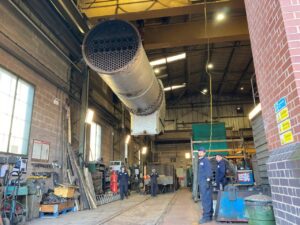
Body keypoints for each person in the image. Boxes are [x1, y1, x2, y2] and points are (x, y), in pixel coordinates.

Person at [198, 147, 213, 224]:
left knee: (205, 199)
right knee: (206, 199)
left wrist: (207, 181)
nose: (200, 152)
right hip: (202, 182)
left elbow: (209, 171)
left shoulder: (205, 160)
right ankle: (209, 215)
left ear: (204, 152)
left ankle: (206, 217)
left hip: (205, 183)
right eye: (199, 151)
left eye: (201, 151)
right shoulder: (200, 161)